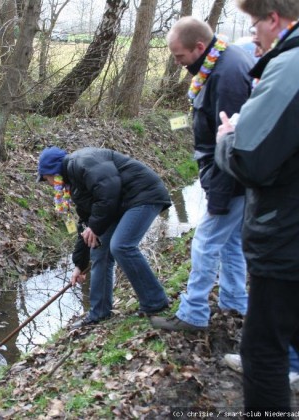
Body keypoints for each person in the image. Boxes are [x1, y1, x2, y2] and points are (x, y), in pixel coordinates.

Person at [215, 0, 299, 411]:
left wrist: (226, 139)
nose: (253, 36)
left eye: (254, 25)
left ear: (274, 19)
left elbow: (250, 157)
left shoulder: (290, 66)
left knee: (262, 350)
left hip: (288, 238)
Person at [150, 17, 254, 332]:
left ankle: (193, 313)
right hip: (227, 174)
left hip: (230, 177)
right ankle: (236, 302)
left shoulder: (227, 76)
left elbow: (234, 141)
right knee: (231, 241)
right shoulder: (219, 64)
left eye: (180, 56)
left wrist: (220, 193)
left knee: (205, 243)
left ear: (199, 47)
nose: (178, 63)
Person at [36, 146, 171, 328]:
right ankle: (99, 313)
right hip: (120, 205)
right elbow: (85, 222)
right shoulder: (74, 186)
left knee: (121, 246)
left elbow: (109, 191)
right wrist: (79, 265)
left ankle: (155, 301)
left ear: (54, 170)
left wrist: (95, 227)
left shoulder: (82, 162)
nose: (50, 184)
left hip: (143, 195)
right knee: (99, 252)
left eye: (47, 178)